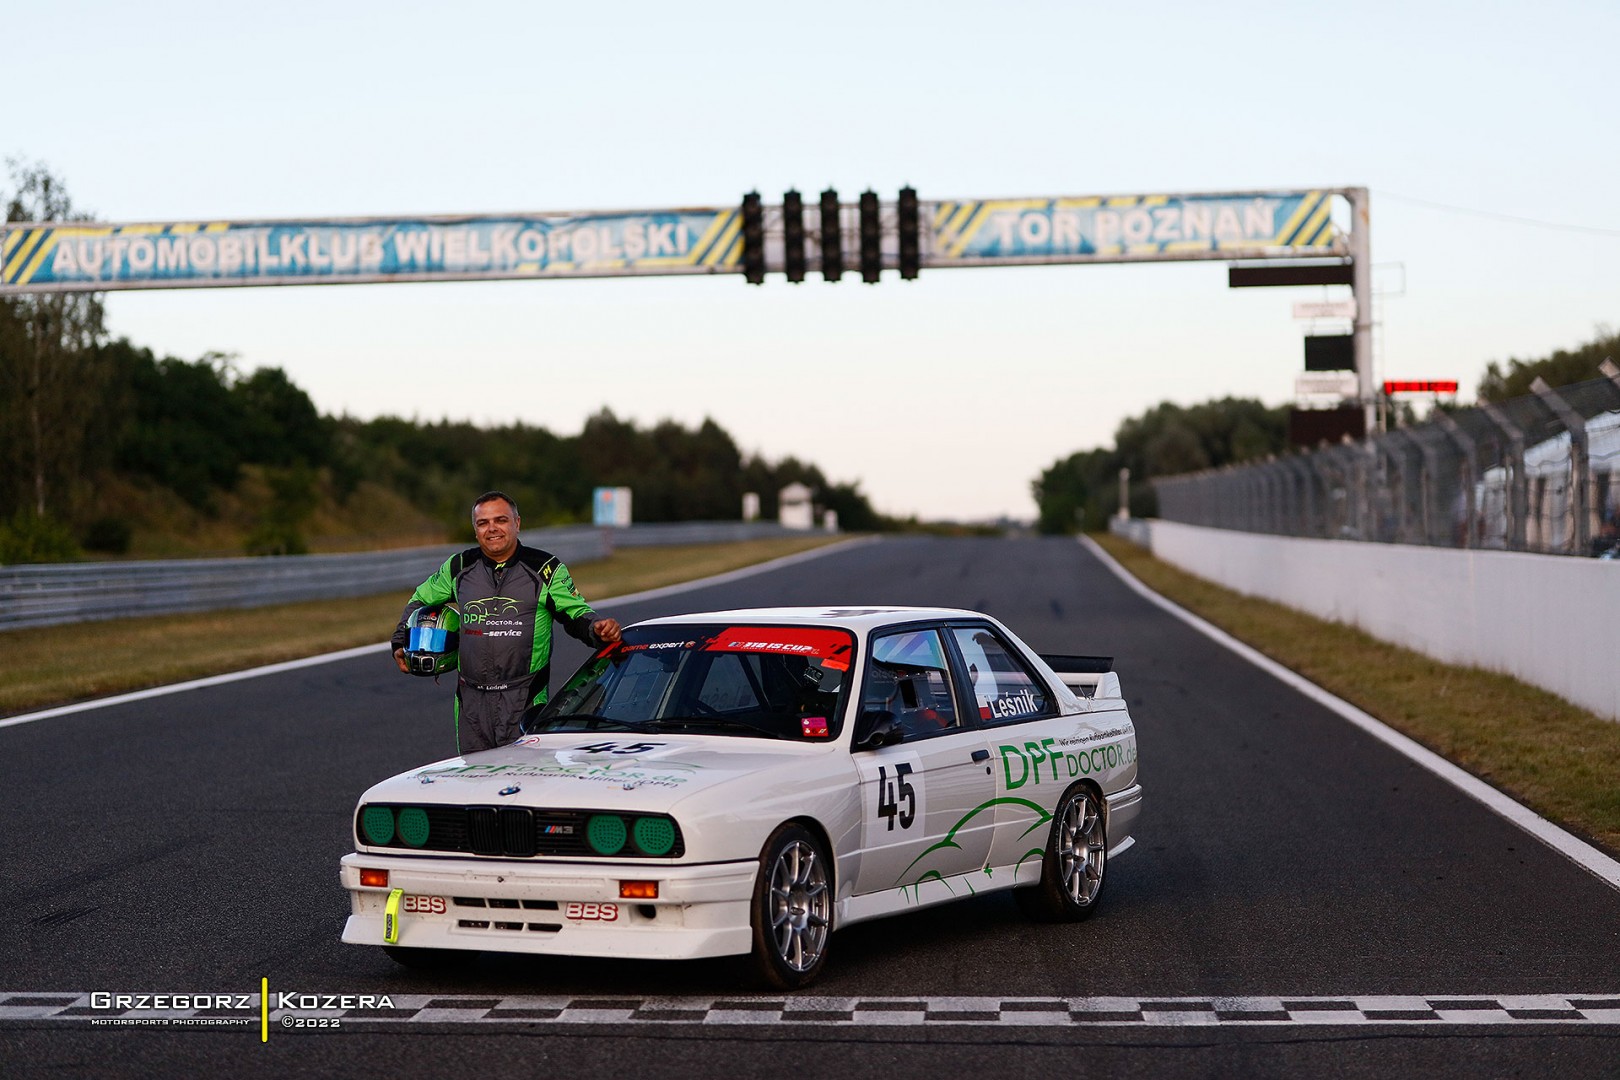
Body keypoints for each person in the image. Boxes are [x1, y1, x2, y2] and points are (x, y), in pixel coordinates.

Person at [391, 490, 621, 754]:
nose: (492, 529)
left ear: (517, 523)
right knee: (474, 783)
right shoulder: (459, 567)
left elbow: (576, 614)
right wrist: (400, 641)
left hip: (524, 699)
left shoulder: (546, 568)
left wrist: (596, 629)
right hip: (470, 702)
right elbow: (420, 600)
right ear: (475, 529)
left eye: (500, 520)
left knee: (524, 785)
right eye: (483, 523)